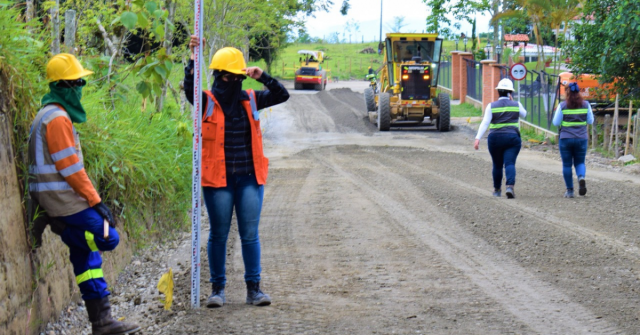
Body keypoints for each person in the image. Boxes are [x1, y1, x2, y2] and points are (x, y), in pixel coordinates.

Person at [28, 54, 140, 335]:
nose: (81, 87)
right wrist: (96, 201)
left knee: (86, 256)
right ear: (65, 86)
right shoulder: (56, 119)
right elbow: (71, 169)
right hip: (62, 201)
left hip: (62, 198)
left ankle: (101, 321)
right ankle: (60, 227)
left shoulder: (51, 114)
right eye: (78, 82)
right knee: (108, 237)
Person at [184, 36, 290, 308]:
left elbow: (282, 94)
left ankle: (254, 289)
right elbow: (189, 89)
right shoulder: (207, 102)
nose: (229, 82)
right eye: (224, 77)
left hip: (249, 179)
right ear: (217, 76)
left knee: (249, 234)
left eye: (234, 78)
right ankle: (217, 290)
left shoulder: (251, 99)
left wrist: (262, 76)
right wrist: (194, 57)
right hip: (218, 181)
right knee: (218, 234)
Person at [474, 78, 527, 198]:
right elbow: (524, 114)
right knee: (509, 163)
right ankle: (509, 187)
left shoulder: (491, 106)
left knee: (497, 164)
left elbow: (485, 123)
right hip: (512, 139)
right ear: (510, 93)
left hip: (495, 139)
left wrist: (478, 138)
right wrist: (513, 102)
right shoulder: (516, 105)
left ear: (498, 92)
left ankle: (497, 190)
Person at [552, 82, 594, 198]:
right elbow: (590, 121)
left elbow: (555, 122)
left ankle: (570, 191)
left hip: (566, 138)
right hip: (581, 138)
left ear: (567, 92)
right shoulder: (586, 105)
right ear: (579, 92)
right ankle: (581, 177)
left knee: (567, 165)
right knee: (580, 162)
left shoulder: (562, 105)